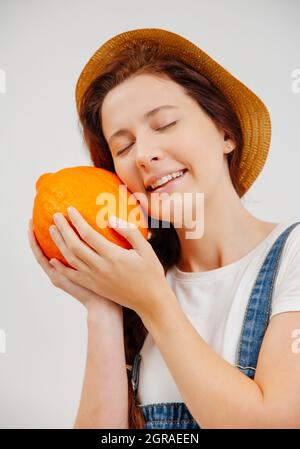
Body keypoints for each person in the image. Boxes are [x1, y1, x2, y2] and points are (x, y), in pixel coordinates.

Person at [28, 28, 300, 429]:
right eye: (122, 147)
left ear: (225, 132)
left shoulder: (291, 254)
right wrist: (104, 307)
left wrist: (154, 302)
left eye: (165, 124)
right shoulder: (131, 285)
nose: (144, 154)